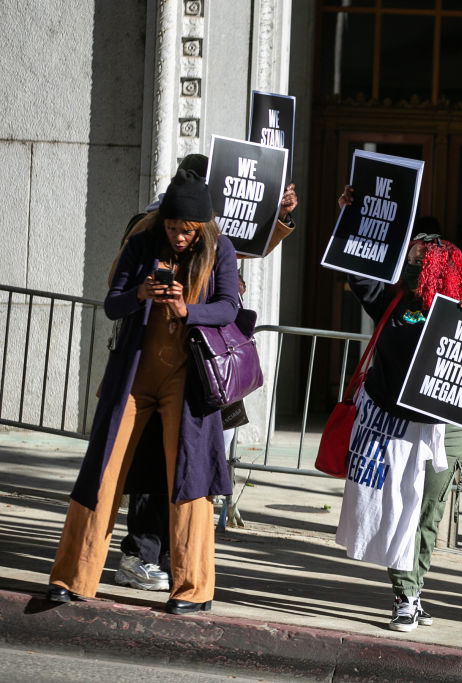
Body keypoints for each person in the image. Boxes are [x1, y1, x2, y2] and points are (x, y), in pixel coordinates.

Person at [46, 169, 239, 614]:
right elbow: (112, 303)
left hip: (188, 382)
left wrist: (186, 308)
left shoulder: (220, 248)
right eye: (172, 227)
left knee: (190, 479)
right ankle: (72, 577)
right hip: (133, 377)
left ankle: (194, 589)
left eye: (187, 231)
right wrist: (139, 293)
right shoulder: (142, 240)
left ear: (202, 227)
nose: (177, 237)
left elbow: (229, 306)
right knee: (102, 471)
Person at [110, 155, 298, 592]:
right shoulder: (148, 226)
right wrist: (149, 290)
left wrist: (282, 215)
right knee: (150, 463)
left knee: (194, 465)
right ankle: (140, 552)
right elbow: (120, 289)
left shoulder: (214, 236)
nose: (182, 234)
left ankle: (181, 560)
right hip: (150, 363)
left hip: (203, 365)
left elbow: (233, 279)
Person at [336, 188, 462, 632]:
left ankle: (414, 588)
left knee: (428, 513)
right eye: (411, 258)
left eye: (421, 260)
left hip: (445, 426)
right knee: (401, 505)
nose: (414, 265)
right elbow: (357, 271)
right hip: (393, 421)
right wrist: (352, 218)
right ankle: (406, 595)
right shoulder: (393, 301)